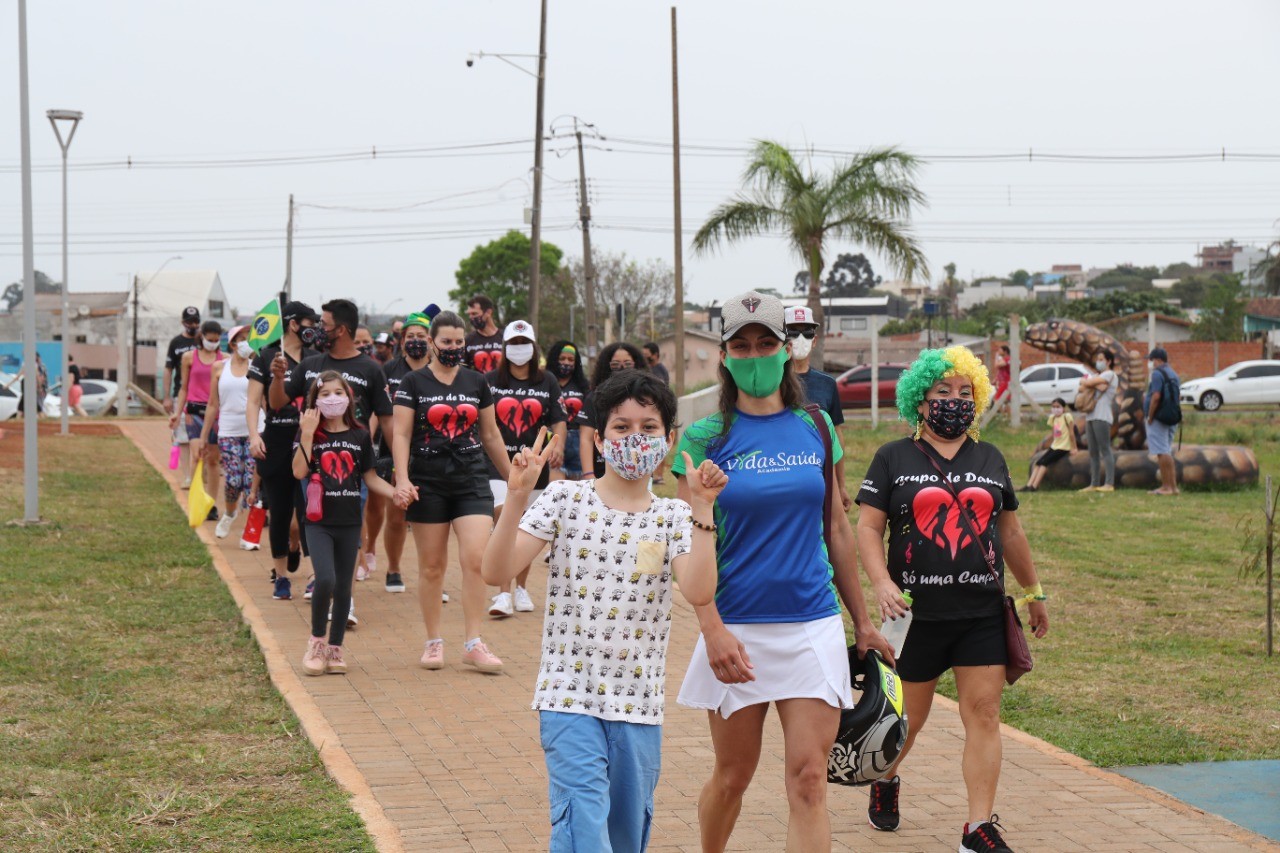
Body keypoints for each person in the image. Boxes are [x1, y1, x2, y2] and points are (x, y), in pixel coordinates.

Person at [672, 290, 891, 853]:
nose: (753, 355)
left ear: (785, 348)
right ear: (723, 355)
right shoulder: (703, 439)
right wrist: (711, 628)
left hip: (810, 623)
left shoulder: (816, 425)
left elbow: (837, 529)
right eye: (740, 346)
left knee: (809, 779)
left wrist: (862, 622)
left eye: (765, 343)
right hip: (736, 629)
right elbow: (688, 543)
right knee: (732, 777)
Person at [481, 371, 720, 852]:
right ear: (599, 437)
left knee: (626, 834)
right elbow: (495, 570)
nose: (636, 438)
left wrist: (704, 508)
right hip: (568, 697)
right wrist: (517, 496)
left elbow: (697, 590)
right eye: (621, 427)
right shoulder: (565, 500)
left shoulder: (674, 515)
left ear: (669, 440)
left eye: (649, 428)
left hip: (639, 704)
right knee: (584, 826)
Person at [855, 345, 1049, 853]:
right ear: (920, 401)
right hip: (914, 617)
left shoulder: (990, 458)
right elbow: (869, 528)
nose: (954, 401)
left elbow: (1009, 533)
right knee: (908, 721)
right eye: (943, 392)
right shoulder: (893, 457)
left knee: (983, 713)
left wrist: (1033, 592)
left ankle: (976, 828)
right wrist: (880, 583)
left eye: (966, 392)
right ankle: (886, 779)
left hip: (980, 613)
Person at [391, 310, 513, 672]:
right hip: (427, 480)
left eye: (459, 342)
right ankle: (433, 641)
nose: (453, 348)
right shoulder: (412, 383)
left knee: (476, 559)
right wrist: (401, 479)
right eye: (446, 342)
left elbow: (491, 435)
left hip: (472, 478)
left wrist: (512, 479)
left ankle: (474, 642)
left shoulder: (477, 382)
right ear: (431, 342)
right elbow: (401, 434)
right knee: (431, 567)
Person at [275, 299, 395, 605]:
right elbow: (277, 402)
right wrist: (278, 378)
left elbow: (386, 419)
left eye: (323, 324)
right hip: (313, 465)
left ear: (340, 329)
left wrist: (402, 468)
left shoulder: (370, 369)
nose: (318, 329)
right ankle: (325, 583)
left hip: (354, 466)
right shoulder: (310, 364)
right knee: (317, 522)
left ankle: (347, 599)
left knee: (351, 530)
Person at [293, 371, 403, 677]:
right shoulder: (310, 434)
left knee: (344, 588)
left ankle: (335, 647)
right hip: (318, 522)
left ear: (349, 398)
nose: (332, 399)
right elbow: (299, 472)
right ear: (315, 401)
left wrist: (396, 493)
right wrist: (305, 433)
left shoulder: (360, 436)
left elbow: (369, 477)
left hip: (350, 521)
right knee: (325, 580)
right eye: (324, 394)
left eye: (338, 393)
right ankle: (316, 641)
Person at [485, 321, 567, 618]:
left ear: (533, 347)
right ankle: (503, 593)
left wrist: (556, 445)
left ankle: (520, 587)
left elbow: (558, 418)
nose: (519, 348)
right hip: (498, 465)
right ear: (505, 347)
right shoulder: (490, 380)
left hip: (535, 465)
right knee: (505, 517)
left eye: (524, 342)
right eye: (514, 342)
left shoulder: (547, 381)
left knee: (528, 524)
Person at [248, 300, 318, 599]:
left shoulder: (317, 358)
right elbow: (252, 402)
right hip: (275, 441)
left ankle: (315, 574)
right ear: (293, 324)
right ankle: (281, 576)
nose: (313, 329)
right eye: (309, 323)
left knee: (309, 511)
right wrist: (254, 436)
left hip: (308, 440)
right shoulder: (266, 357)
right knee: (279, 512)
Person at [363, 312, 433, 595]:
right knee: (396, 516)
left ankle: (433, 574)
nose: (416, 342)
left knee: (433, 516)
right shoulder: (388, 371)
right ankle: (393, 568)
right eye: (410, 337)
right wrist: (364, 440)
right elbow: (377, 411)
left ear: (430, 340)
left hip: (433, 451)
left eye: (421, 336)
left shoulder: (441, 369)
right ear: (402, 341)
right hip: (394, 450)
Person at [196, 325, 261, 539]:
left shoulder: (257, 366)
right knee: (234, 478)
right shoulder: (219, 367)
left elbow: (265, 401)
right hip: (228, 431)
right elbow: (213, 404)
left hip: (255, 430)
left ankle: (250, 530)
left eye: (248, 339)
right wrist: (204, 436)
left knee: (251, 479)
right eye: (241, 339)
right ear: (232, 344)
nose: (246, 343)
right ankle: (231, 513)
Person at [785, 305, 851, 511]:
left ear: (814, 341)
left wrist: (841, 485)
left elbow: (836, 435)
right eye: (793, 332)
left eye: (807, 332)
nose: (800, 338)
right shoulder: (772, 383)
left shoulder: (827, 384)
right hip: (784, 472)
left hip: (820, 476)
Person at [170, 320, 226, 517]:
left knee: (213, 460)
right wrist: (177, 412)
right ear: (202, 337)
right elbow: (183, 387)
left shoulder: (224, 359)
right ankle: (195, 500)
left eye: (217, 340)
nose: (213, 343)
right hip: (193, 412)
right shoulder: (188, 357)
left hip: (216, 414)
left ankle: (210, 504)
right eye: (210, 339)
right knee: (197, 455)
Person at [577, 342, 648, 481]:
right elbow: (586, 438)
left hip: (639, 473)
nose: (622, 368)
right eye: (615, 364)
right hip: (601, 473)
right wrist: (588, 474)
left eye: (627, 363)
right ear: (606, 366)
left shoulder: (647, 399)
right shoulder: (595, 397)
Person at [163, 307, 203, 486]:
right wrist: (166, 396)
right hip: (183, 393)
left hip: (204, 394)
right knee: (183, 437)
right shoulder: (176, 343)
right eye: (189, 322)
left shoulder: (203, 341)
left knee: (206, 435)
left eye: (195, 322)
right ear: (183, 322)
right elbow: (168, 369)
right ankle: (188, 476)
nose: (193, 325)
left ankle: (204, 472)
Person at [546, 340, 589, 481]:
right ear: (554, 359)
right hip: (552, 438)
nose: (567, 362)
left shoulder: (583, 385)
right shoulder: (546, 383)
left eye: (571, 359)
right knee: (556, 491)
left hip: (578, 440)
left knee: (577, 493)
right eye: (562, 358)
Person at [1079, 351, 1119, 493]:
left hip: (1102, 416)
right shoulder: (1098, 376)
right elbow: (1082, 385)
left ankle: (1109, 483)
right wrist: (1092, 383)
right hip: (1091, 415)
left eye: (1101, 359)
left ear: (1109, 361)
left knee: (1105, 449)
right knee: (1093, 451)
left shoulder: (1110, 375)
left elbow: (1087, 382)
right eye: (1098, 359)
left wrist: (1089, 382)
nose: (1098, 361)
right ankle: (1094, 483)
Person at [1145, 347, 1181, 496]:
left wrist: (1150, 416)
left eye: (1152, 360)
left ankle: (1166, 487)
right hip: (1171, 416)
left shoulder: (1157, 374)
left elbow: (1156, 397)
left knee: (1162, 452)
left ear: (1158, 360)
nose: (1151, 363)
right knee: (1166, 450)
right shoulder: (1173, 374)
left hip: (1159, 417)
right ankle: (1173, 487)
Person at [1023, 397, 1076, 492]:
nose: (1056, 409)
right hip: (1055, 446)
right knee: (1038, 462)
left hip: (1063, 447)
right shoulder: (1053, 418)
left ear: (1063, 408)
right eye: (1053, 407)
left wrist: (1074, 448)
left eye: (1058, 406)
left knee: (1044, 463)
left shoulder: (1067, 417)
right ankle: (1028, 485)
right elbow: (1053, 434)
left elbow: (1071, 433)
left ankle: (1035, 486)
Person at [464, 294, 504, 372]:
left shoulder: (505, 338)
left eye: (474, 314)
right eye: (469, 314)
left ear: (488, 312)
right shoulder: (468, 340)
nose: (471, 318)